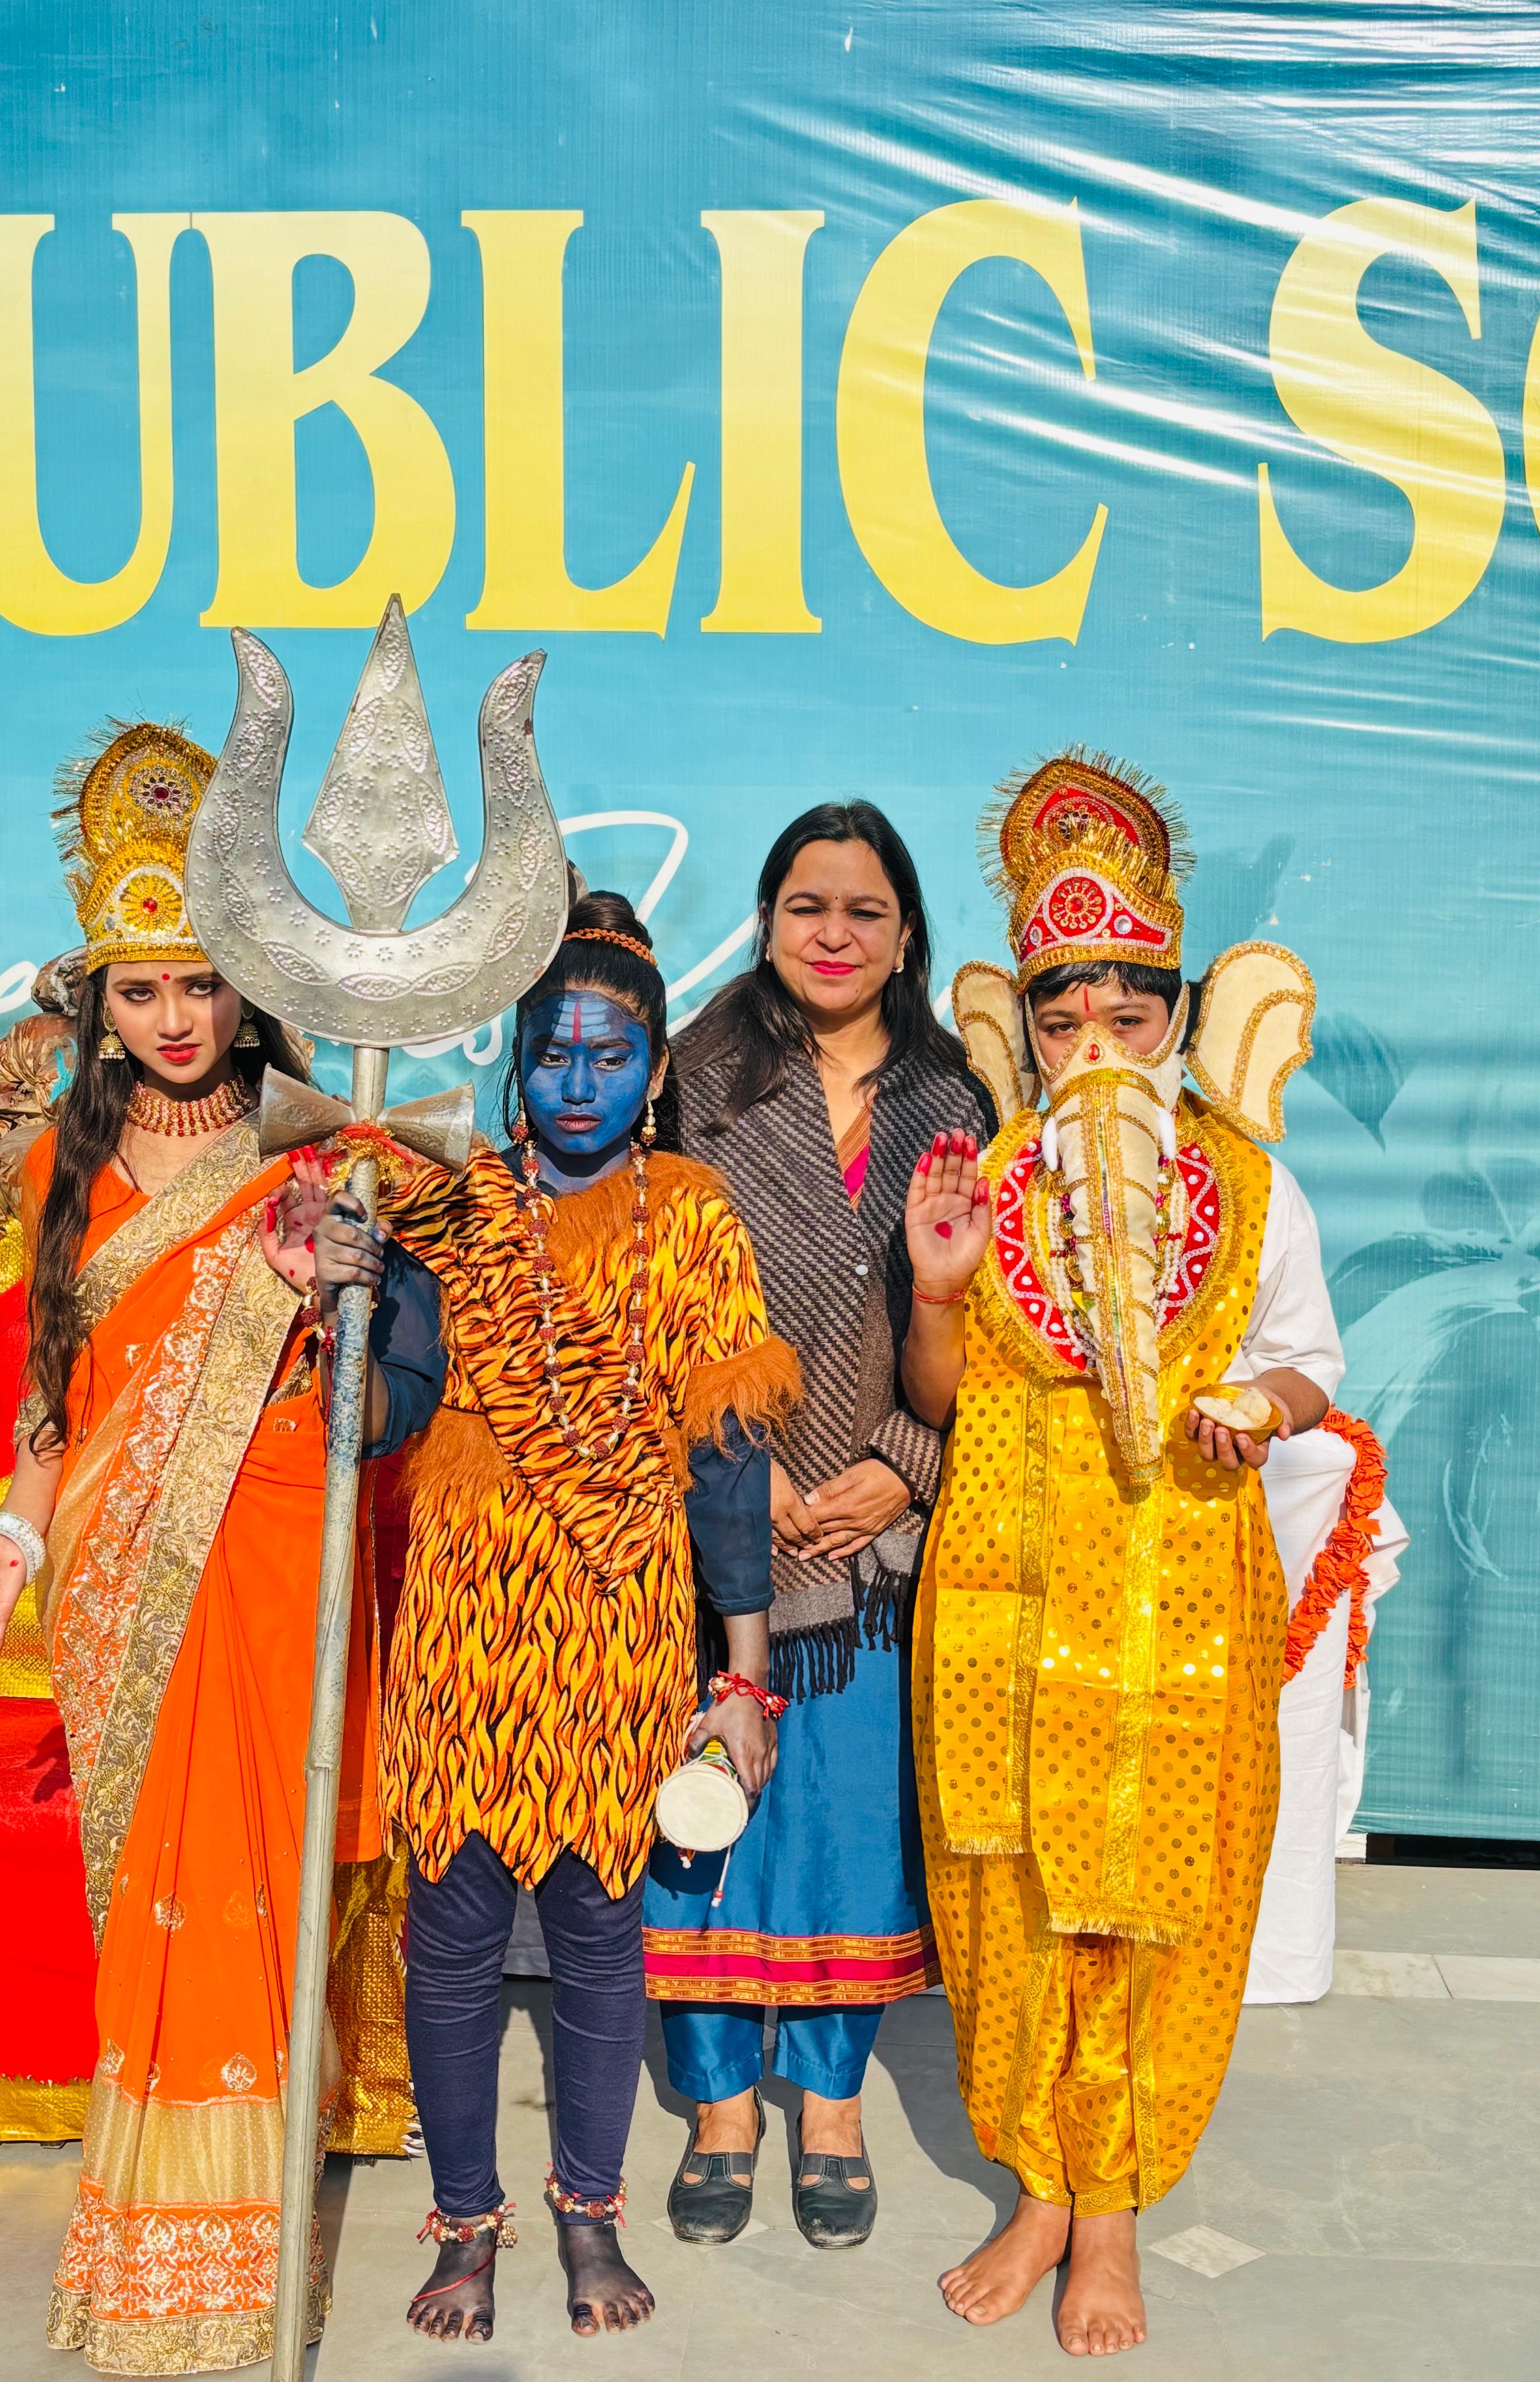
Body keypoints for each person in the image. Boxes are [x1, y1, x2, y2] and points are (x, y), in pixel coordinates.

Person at [0, 724, 443, 2374]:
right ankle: (154, 2240)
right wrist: (14, 1538)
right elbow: (54, 1399)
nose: (174, 1018)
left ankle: (240, 2245)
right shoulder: (61, 1165)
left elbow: (381, 1376)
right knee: (153, 1898)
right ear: (99, 1004)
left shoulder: (312, 1146)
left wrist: (336, 1274)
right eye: (142, 989)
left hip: (272, 1540)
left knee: (247, 1889)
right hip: (118, 1575)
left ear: (248, 990)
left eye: (203, 985)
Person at [901, 754, 1344, 2357]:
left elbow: (1311, 1367)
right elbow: (938, 1400)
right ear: (1023, 1023)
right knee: (1010, 1902)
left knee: (1154, 1909)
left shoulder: (1255, 1186)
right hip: (1005, 1598)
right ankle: (1035, 2188)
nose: (1096, 1050)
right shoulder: (985, 1178)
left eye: (1129, 1017)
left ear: (1181, 1015)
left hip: (1179, 1590)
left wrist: (1260, 1407)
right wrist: (937, 1287)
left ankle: (1112, 2215)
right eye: (1065, 1020)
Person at [314, 891, 801, 2345]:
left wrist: (743, 1677)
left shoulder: (693, 1215)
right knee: (455, 1929)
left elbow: (729, 1466)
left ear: (656, 1070)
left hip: (618, 1612)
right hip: (467, 1615)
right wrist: (344, 1307)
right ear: (517, 1061)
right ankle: (466, 2222)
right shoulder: (457, 1206)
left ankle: (591, 2211)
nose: (578, 1081)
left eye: (609, 1054)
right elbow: (393, 1409)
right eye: (551, 1052)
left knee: (599, 1930)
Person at [641, 803, 993, 2249]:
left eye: (863, 909)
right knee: (708, 1817)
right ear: (768, 919)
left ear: (907, 933)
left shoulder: (958, 1101)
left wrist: (905, 1468)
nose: (833, 933)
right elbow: (638, 1299)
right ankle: (721, 2108)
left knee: (849, 1824)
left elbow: (982, 1323)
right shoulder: (693, 1079)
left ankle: (833, 2107)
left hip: (873, 1538)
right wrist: (739, 1477)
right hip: (717, 1511)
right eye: (806, 905)